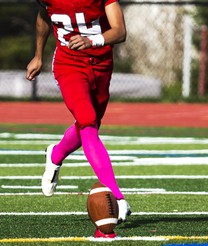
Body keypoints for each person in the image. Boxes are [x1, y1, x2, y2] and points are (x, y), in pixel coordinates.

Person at [26, 0, 131, 231]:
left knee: (89, 124)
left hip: (102, 65)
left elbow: (120, 31)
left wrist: (91, 40)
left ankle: (56, 153)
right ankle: (118, 197)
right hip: (69, 65)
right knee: (88, 124)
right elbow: (44, 17)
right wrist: (38, 55)